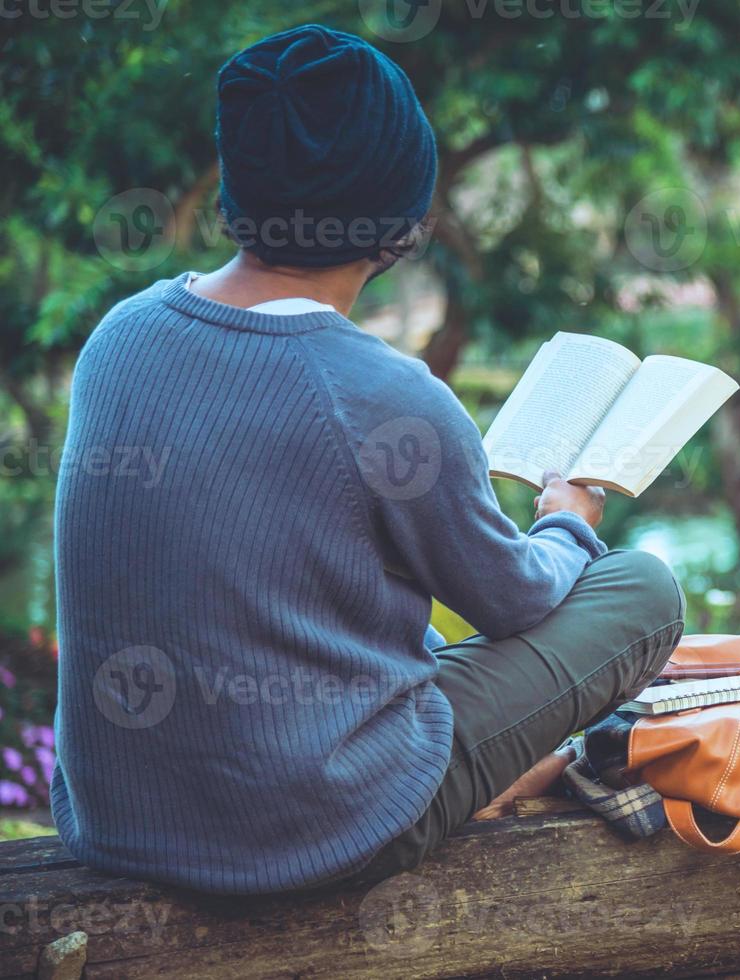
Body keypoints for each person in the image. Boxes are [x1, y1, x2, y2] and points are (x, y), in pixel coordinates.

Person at [51, 24, 683, 895]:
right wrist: (567, 522)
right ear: (400, 213)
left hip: (115, 819)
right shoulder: (384, 395)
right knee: (643, 590)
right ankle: (496, 772)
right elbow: (514, 600)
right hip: (322, 829)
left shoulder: (119, 338)